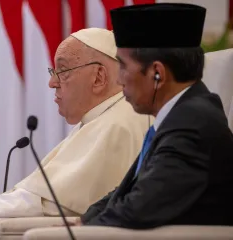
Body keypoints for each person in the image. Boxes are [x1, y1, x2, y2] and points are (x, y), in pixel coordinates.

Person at [0, 28, 150, 233]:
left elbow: (48, 204)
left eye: (62, 71)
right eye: (53, 72)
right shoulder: (100, 121)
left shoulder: (119, 124)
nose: (52, 82)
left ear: (98, 77)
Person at [78, 3, 233, 228]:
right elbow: (129, 190)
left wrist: (80, 231)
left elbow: (138, 208)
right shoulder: (181, 115)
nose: (119, 79)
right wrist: (82, 221)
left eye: (123, 67)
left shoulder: (192, 124)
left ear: (157, 73)